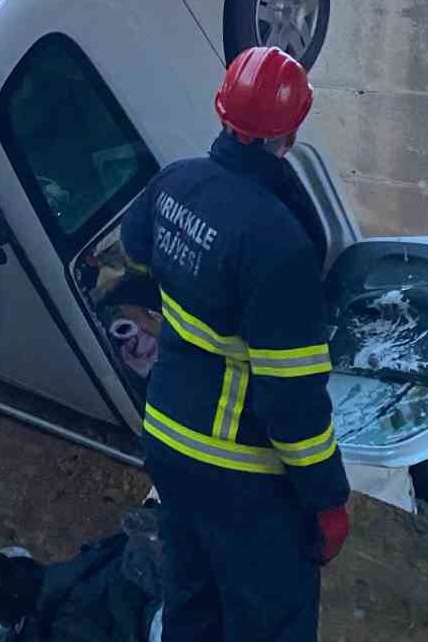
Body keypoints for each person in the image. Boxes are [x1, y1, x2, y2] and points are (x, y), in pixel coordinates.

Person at [119, 45, 350, 642]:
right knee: (270, 621)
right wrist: (327, 497)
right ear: (292, 131)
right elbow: (291, 404)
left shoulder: (176, 181)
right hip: (239, 469)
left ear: (221, 110)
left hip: (167, 439)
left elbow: (135, 248)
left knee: (192, 605)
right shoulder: (279, 241)